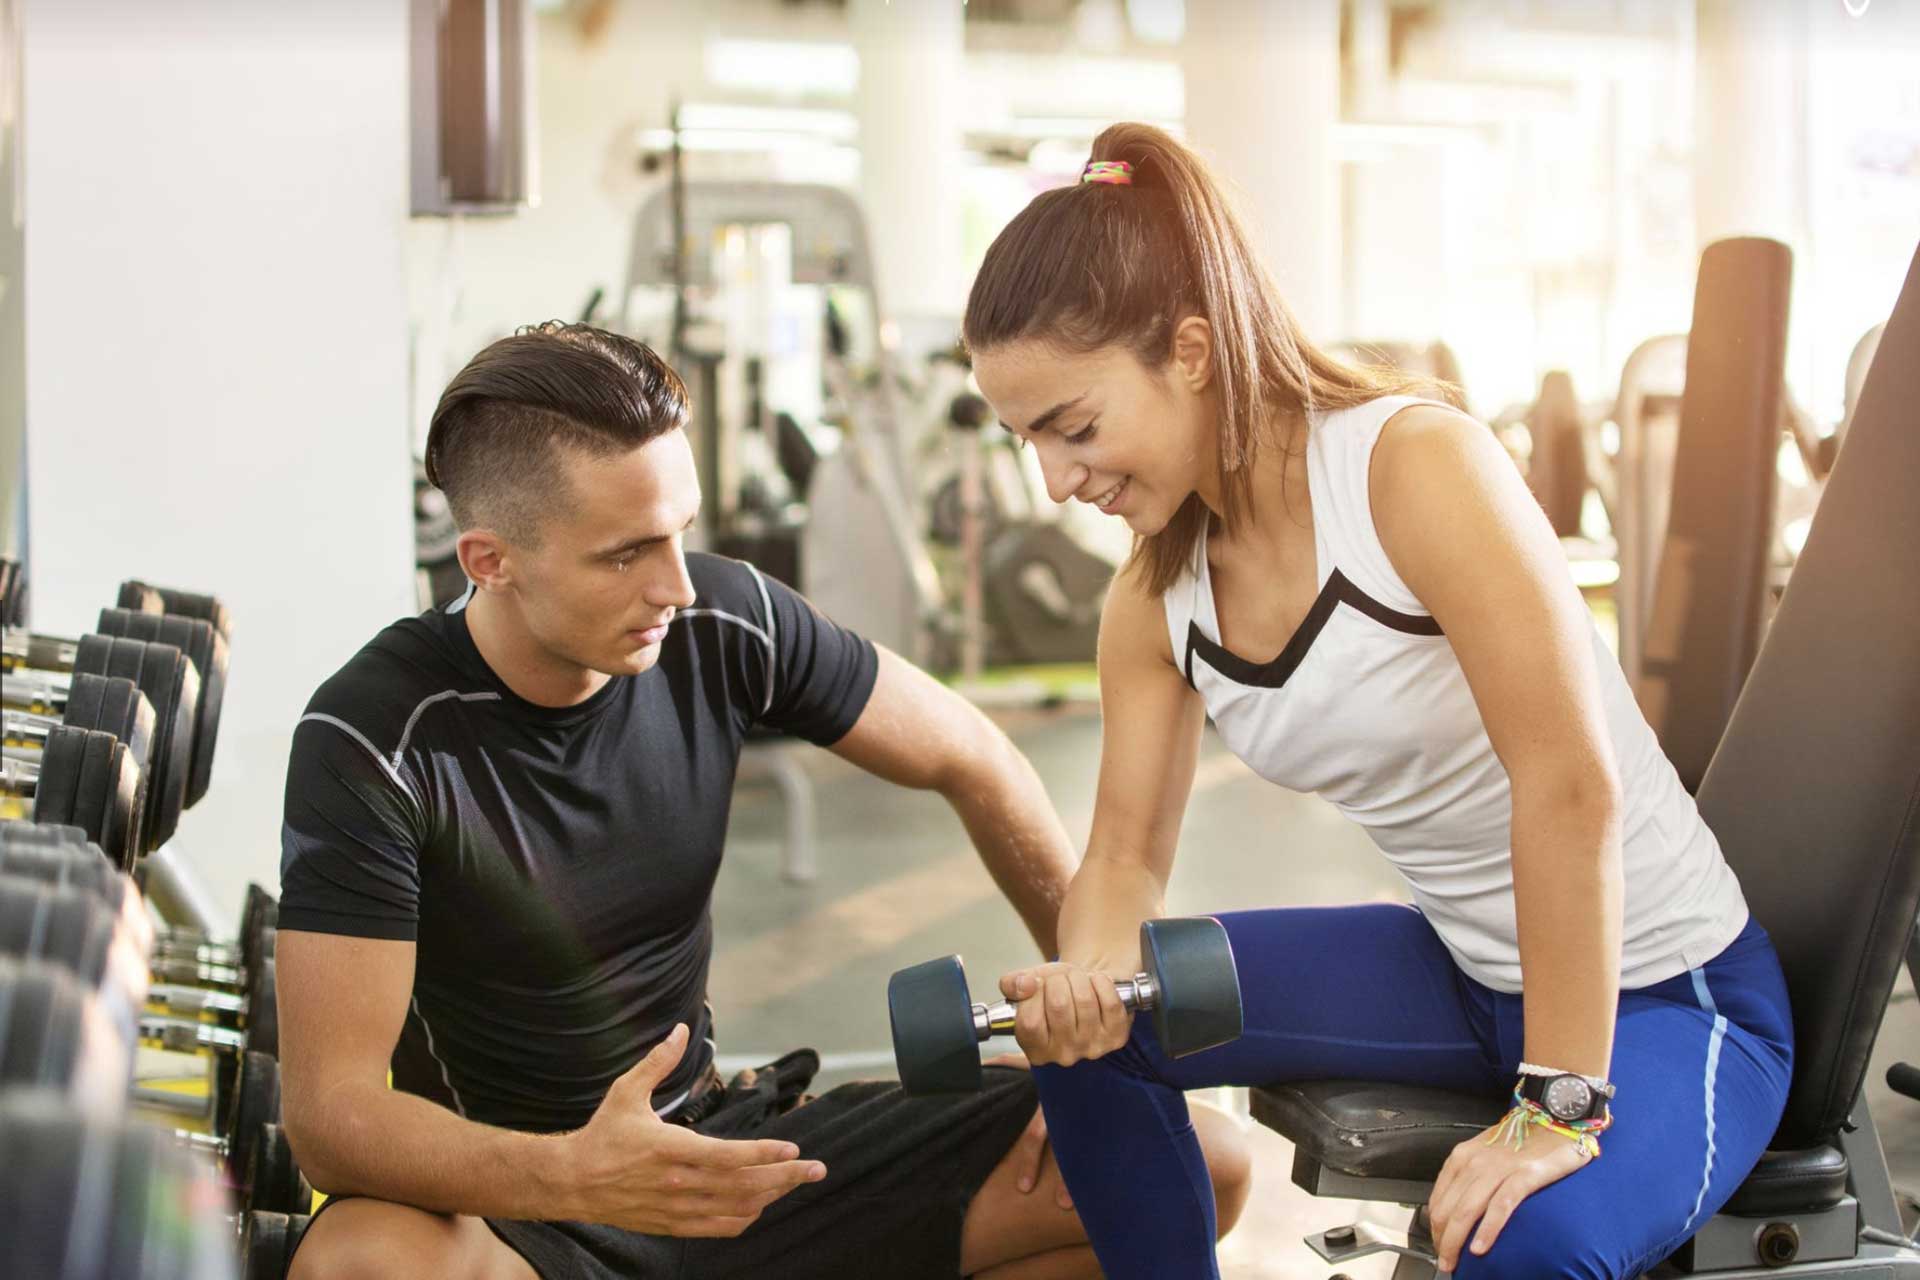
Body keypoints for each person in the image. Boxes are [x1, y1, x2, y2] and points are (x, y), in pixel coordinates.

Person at [963, 124, 1793, 1280]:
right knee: (1096, 1035)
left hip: (1664, 992)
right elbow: (1118, 857)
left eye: (1075, 426)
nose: (1055, 479)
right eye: (1026, 441)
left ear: (1191, 351)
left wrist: (1557, 1100)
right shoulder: (1154, 595)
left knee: (1521, 1248)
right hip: (1457, 965)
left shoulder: (1410, 468)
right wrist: (1083, 987)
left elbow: (1569, 782)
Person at [274, 322, 1251, 1280]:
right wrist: (573, 1174)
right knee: (360, 1261)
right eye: (625, 553)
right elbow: (331, 1116)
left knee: (1184, 1163)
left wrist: (1090, 1025)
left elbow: (976, 756)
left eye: (680, 533)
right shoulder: (376, 736)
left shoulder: (727, 617)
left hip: (723, 1153)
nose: (675, 585)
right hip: (528, 1211)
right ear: (490, 560)